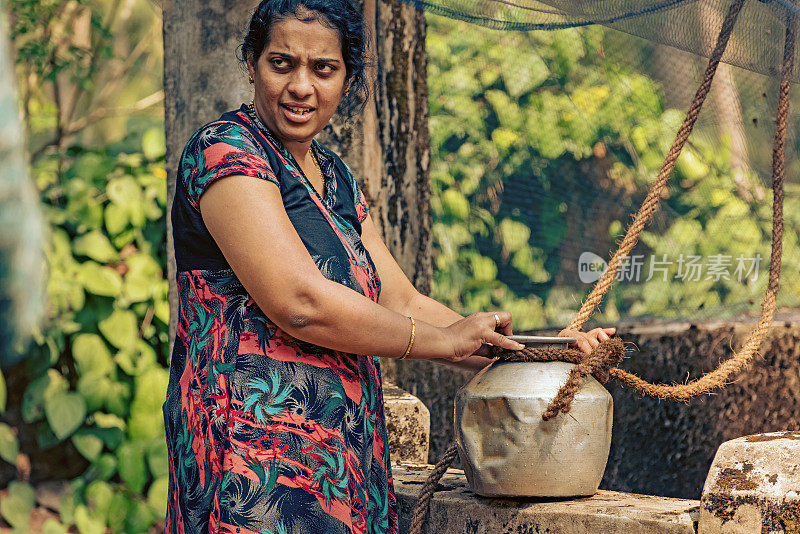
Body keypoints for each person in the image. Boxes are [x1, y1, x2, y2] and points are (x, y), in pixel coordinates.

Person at [162, 0, 615, 532]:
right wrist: (444, 342)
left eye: (323, 69)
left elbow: (401, 301)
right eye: (281, 63)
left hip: (343, 462)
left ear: (348, 78)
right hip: (251, 470)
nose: (301, 87)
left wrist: (541, 356)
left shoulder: (335, 179)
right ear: (250, 62)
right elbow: (300, 304)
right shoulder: (225, 153)